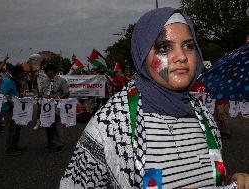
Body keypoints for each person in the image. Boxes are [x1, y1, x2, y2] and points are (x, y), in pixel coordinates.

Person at [60, 8, 249, 189]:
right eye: (164, 47)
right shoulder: (111, 123)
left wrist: (232, 184)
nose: (181, 56)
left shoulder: (205, 118)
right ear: (142, 55)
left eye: (188, 46)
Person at [41, 63, 69, 151]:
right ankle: (50, 142)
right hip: (46, 106)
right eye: (46, 71)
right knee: (48, 124)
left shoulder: (62, 80)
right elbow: (42, 92)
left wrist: (59, 98)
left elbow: (66, 92)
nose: (47, 72)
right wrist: (42, 96)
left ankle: (60, 143)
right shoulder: (44, 81)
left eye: (49, 70)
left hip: (57, 105)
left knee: (58, 125)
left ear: (54, 71)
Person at [0, 65, 24, 156]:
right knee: (11, 129)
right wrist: (10, 101)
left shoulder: (15, 81)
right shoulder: (7, 81)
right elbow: (2, 94)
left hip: (16, 108)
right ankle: (9, 149)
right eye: (21, 74)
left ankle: (16, 145)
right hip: (8, 108)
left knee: (17, 127)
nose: (22, 76)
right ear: (16, 74)